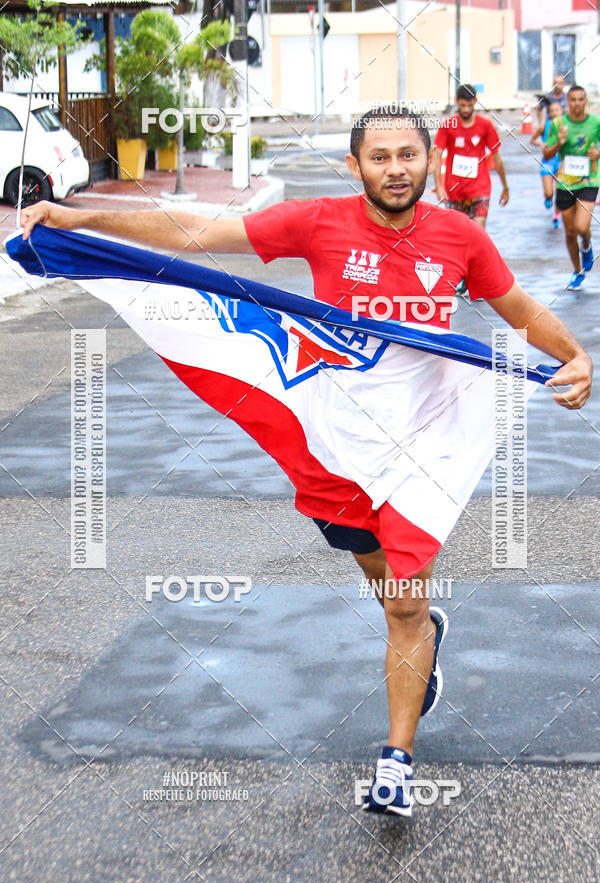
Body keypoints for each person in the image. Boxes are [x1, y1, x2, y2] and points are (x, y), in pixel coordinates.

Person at [20, 107, 592, 819]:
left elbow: (520, 310)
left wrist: (572, 355)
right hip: (334, 442)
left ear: (430, 161)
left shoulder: (460, 237)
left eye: (408, 155)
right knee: (387, 586)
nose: (395, 169)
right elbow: (198, 232)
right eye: (379, 157)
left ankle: (396, 759)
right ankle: (422, 632)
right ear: (356, 167)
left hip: (420, 444)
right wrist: (74, 219)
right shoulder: (319, 221)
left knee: (405, 601)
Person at [543, 84, 600, 290]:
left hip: (589, 180)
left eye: (580, 99)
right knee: (569, 232)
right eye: (573, 99)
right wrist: (559, 142)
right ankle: (577, 271)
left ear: (586, 101)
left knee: (582, 227)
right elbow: (546, 154)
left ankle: (586, 244)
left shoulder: (595, 122)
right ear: (567, 102)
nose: (577, 103)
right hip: (565, 183)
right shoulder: (559, 123)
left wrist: (598, 154)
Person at [433, 83, 509, 230]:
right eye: (462, 105)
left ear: (475, 101)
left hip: (479, 190)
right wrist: (438, 185)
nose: (466, 109)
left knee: (478, 234)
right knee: (458, 237)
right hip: (454, 192)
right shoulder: (448, 126)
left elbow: (496, 157)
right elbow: (437, 155)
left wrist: (505, 187)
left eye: (469, 105)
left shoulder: (485, 126)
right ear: (456, 101)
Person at [531, 99, 562, 228]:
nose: (554, 113)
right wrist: (540, 143)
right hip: (547, 162)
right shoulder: (545, 126)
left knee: (560, 192)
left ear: (561, 111)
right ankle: (548, 197)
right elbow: (532, 140)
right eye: (552, 111)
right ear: (549, 113)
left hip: (561, 162)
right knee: (549, 193)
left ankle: (556, 216)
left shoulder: (566, 126)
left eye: (557, 110)